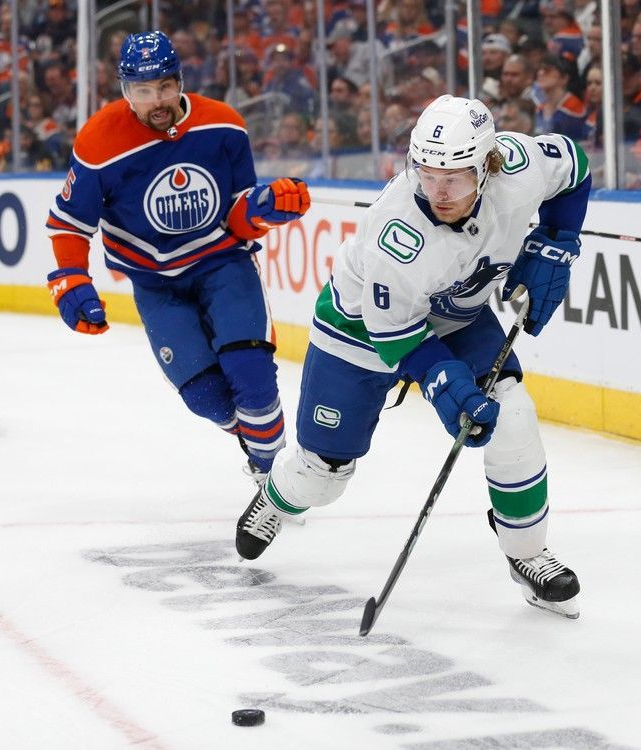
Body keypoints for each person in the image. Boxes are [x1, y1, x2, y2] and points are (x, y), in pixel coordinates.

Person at [235, 94, 590, 619]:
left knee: (513, 415)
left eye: (455, 177)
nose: (439, 191)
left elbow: (576, 167)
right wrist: (444, 383)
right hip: (359, 333)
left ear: (488, 165)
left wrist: (557, 240)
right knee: (323, 475)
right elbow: (397, 339)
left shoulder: (520, 167)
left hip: (458, 315)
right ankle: (276, 497)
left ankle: (527, 554)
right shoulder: (395, 234)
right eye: (426, 173)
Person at [44, 30, 311, 482]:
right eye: (143, 91)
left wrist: (265, 208)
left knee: (252, 375)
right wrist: (70, 278)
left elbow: (237, 212)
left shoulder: (223, 125)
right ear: (126, 91)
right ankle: (258, 446)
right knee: (205, 396)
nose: (157, 100)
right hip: (155, 282)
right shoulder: (98, 143)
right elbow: (70, 222)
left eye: (165, 86)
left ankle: (275, 481)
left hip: (223, 264)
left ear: (179, 80)